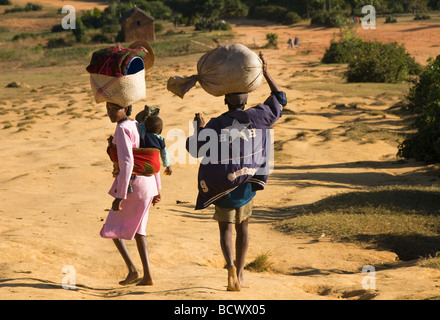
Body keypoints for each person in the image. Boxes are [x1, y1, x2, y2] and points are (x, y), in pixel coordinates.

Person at [186, 52, 287, 291]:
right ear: (246, 99)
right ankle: (240, 274)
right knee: (244, 228)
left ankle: (229, 265)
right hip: (246, 185)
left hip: (223, 187)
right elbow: (280, 98)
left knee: (225, 230)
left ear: (225, 101)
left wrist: (198, 127)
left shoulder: (217, 123)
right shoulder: (258, 116)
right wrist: (265, 71)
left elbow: (195, 149)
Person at [100, 102, 161, 286]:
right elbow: (152, 152)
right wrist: (158, 188)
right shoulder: (137, 124)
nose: (110, 112)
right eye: (108, 108)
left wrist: (120, 195)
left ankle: (133, 270)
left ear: (125, 109)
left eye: (114, 109)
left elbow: (127, 162)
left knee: (111, 229)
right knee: (140, 231)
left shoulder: (122, 128)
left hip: (133, 186)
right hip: (148, 185)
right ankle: (147, 275)